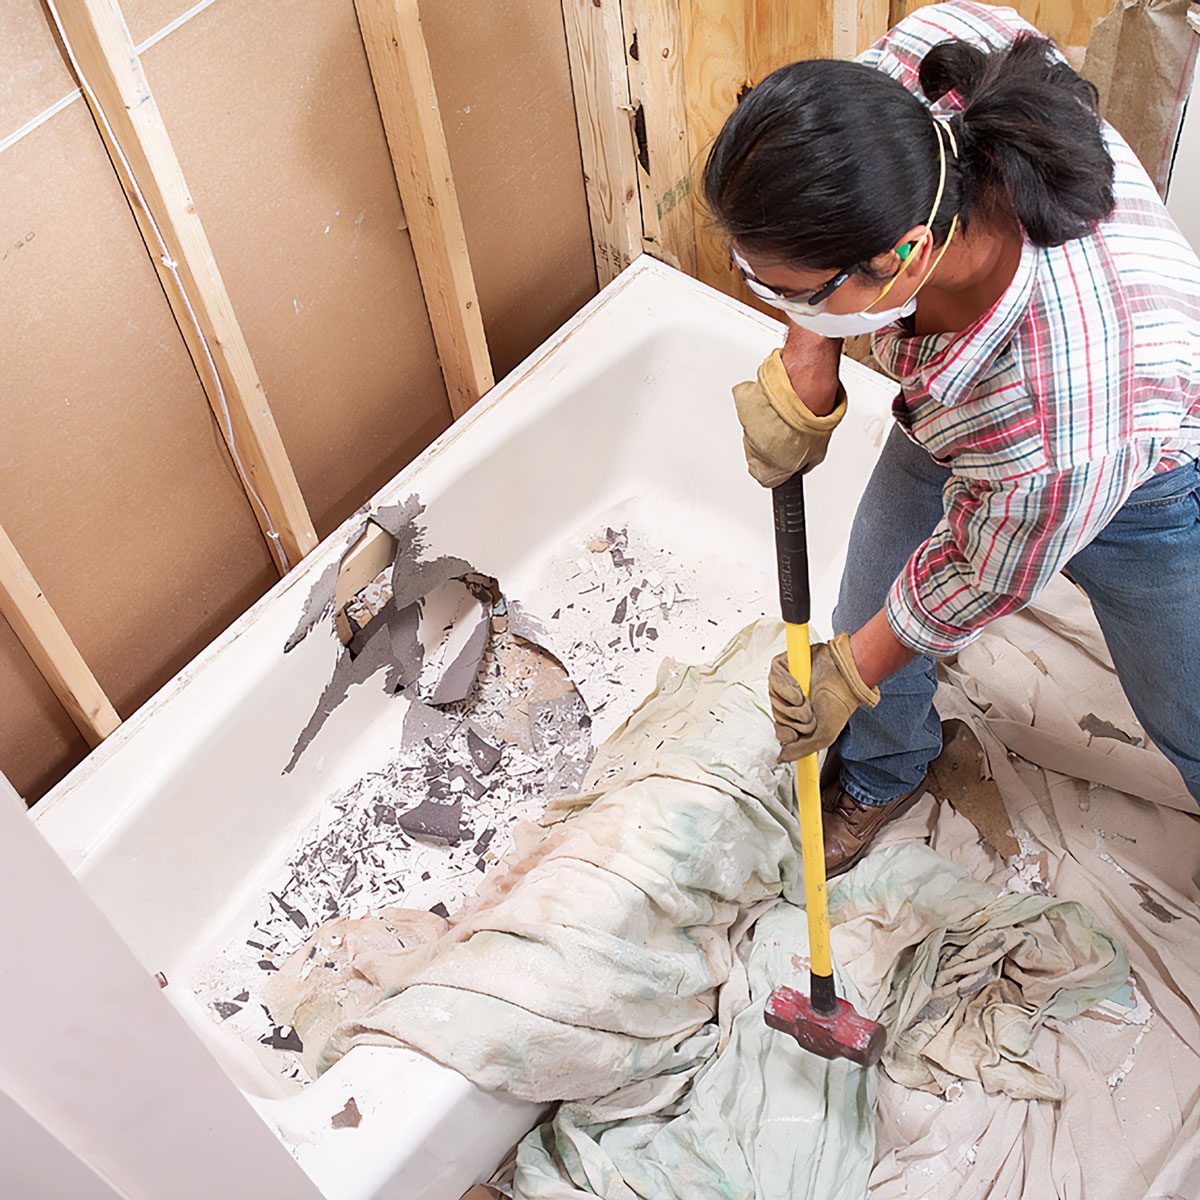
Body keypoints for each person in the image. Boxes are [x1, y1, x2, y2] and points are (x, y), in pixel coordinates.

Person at [704, 0, 1200, 875]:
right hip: (960, 403)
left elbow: (976, 573)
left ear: (900, 258)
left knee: (1186, 706)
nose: (782, 302)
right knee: (868, 602)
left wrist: (847, 676)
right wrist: (809, 354)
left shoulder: (1063, 414)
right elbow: (831, 200)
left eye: (794, 291)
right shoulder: (930, 73)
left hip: (1141, 466)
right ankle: (886, 768)